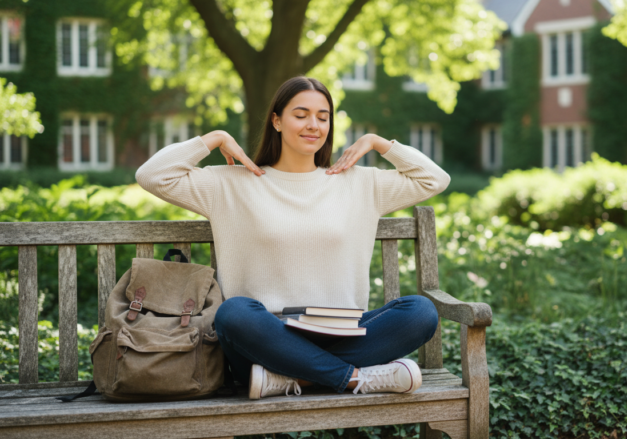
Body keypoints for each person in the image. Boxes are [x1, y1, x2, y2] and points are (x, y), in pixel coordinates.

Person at [135, 76, 451, 399]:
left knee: (421, 312)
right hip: (265, 340)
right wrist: (214, 139)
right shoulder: (232, 184)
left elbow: (435, 180)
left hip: (342, 334)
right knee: (233, 314)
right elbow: (151, 175)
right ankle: (355, 378)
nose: (313, 125)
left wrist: (378, 142)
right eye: (301, 115)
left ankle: (295, 379)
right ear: (276, 120)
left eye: (323, 117)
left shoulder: (358, 183)